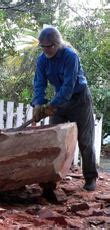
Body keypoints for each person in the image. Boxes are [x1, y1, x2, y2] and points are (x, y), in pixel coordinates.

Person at [32, 26, 98, 191]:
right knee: (54, 139)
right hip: (59, 100)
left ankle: (90, 178)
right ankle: (50, 181)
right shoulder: (42, 60)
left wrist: (52, 106)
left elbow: (68, 87)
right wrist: (39, 105)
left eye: (48, 46)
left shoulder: (70, 56)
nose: (45, 50)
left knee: (85, 140)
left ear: (56, 44)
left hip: (79, 99)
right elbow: (39, 83)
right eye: (43, 47)